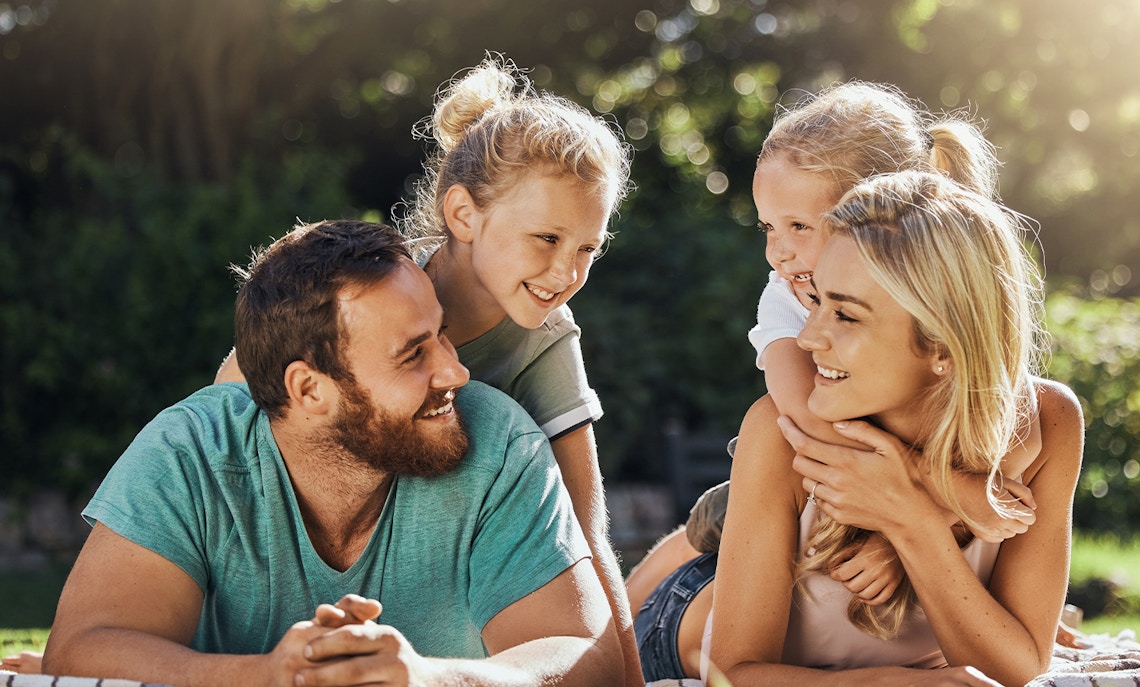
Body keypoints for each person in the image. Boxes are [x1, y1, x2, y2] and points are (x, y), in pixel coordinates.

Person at [41, 220, 624, 686]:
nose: (456, 370)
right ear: (309, 389)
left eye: (441, 334)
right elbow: (81, 648)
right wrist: (268, 679)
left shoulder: (500, 446)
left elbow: (586, 657)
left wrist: (428, 679)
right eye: (412, 354)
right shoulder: (191, 451)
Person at [216, 56, 644, 684]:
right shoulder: (376, 289)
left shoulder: (547, 342)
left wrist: (625, 679)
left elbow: (585, 526)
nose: (567, 272)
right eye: (547, 239)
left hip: (451, 562)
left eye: (588, 248)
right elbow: (229, 412)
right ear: (464, 215)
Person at [628, 82, 1044, 681]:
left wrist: (913, 525)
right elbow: (807, 419)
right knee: (682, 557)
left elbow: (1014, 663)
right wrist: (944, 497)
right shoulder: (788, 304)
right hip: (798, 472)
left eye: (799, 225)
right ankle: (603, 634)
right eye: (769, 227)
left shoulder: (1026, 415)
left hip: (838, 494)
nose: (778, 252)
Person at [710, 171, 1082, 686]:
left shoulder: (1046, 423)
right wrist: (895, 684)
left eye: (847, 315)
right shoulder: (780, 433)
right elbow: (729, 675)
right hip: (687, 613)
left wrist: (911, 518)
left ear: (944, 349)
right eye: (816, 301)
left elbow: (1013, 670)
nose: (808, 337)